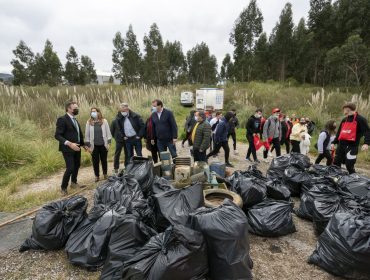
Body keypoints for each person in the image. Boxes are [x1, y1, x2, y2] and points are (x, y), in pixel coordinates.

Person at [55, 101, 86, 195]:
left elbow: (78, 134)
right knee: (70, 168)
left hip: (77, 147)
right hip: (68, 148)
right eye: (75, 108)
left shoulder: (75, 120)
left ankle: (73, 183)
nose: (77, 109)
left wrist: (83, 145)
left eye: (77, 107)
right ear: (68, 109)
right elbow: (57, 135)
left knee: (77, 165)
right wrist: (69, 144)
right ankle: (63, 188)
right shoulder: (62, 119)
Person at [332, 103, 370, 174]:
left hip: (352, 146)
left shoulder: (360, 119)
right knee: (336, 163)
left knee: (349, 165)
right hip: (341, 145)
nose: (343, 111)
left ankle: (353, 179)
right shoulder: (344, 120)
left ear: (347, 109)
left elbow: (367, 132)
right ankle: (336, 178)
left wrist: (366, 143)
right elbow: (339, 132)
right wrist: (334, 142)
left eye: (344, 110)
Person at [84, 107, 112, 182]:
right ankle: (97, 176)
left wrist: (109, 143)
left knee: (104, 160)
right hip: (94, 146)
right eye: (92, 112)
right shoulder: (89, 122)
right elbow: (87, 134)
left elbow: (108, 132)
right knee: (95, 161)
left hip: (103, 144)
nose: (93, 113)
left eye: (95, 111)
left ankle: (105, 174)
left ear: (98, 112)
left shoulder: (104, 121)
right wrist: (87, 146)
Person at [111, 104, 128, 173]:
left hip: (127, 139)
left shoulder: (127, 118)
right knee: (117, 153)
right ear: (119, 109)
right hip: (119, 140)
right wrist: (116, 137)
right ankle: (116, 167)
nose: (124, 109)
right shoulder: (115, 120)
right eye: (122, 108)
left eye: (125, 108)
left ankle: (127, 166)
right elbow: (112, 131)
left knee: (127, 153)